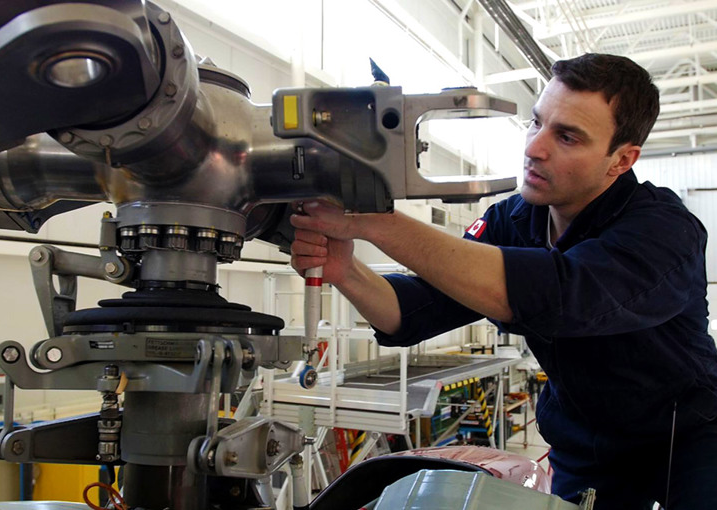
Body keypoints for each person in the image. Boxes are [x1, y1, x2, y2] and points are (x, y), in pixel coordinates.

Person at [290, 53, 717, 509]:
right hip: (583, 444)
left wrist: (376, 221)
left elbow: (561, 295)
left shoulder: (663, 231)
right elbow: (414, 310)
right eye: (537, 123)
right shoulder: (513, 220)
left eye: (567, 136)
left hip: (686, 439)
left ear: (621, 159)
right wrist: (347, 272)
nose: (535, 147)